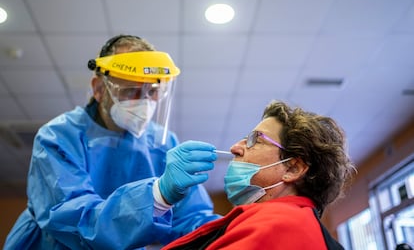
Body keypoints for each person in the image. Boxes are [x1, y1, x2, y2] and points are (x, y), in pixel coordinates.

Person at [4, 35, 221, 250]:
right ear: (99, 88)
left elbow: (189, 220)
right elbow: (77, 222)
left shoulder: (162, 142)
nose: (144, 101)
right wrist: (156, 195)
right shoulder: (58, 137)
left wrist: (233, 227)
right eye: (130, 90)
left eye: (152, 91)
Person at [162, 100, 355, 250]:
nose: (235, 148)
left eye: (255, 140)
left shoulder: (282, 225)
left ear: (292, 168)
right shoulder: (291, 223)